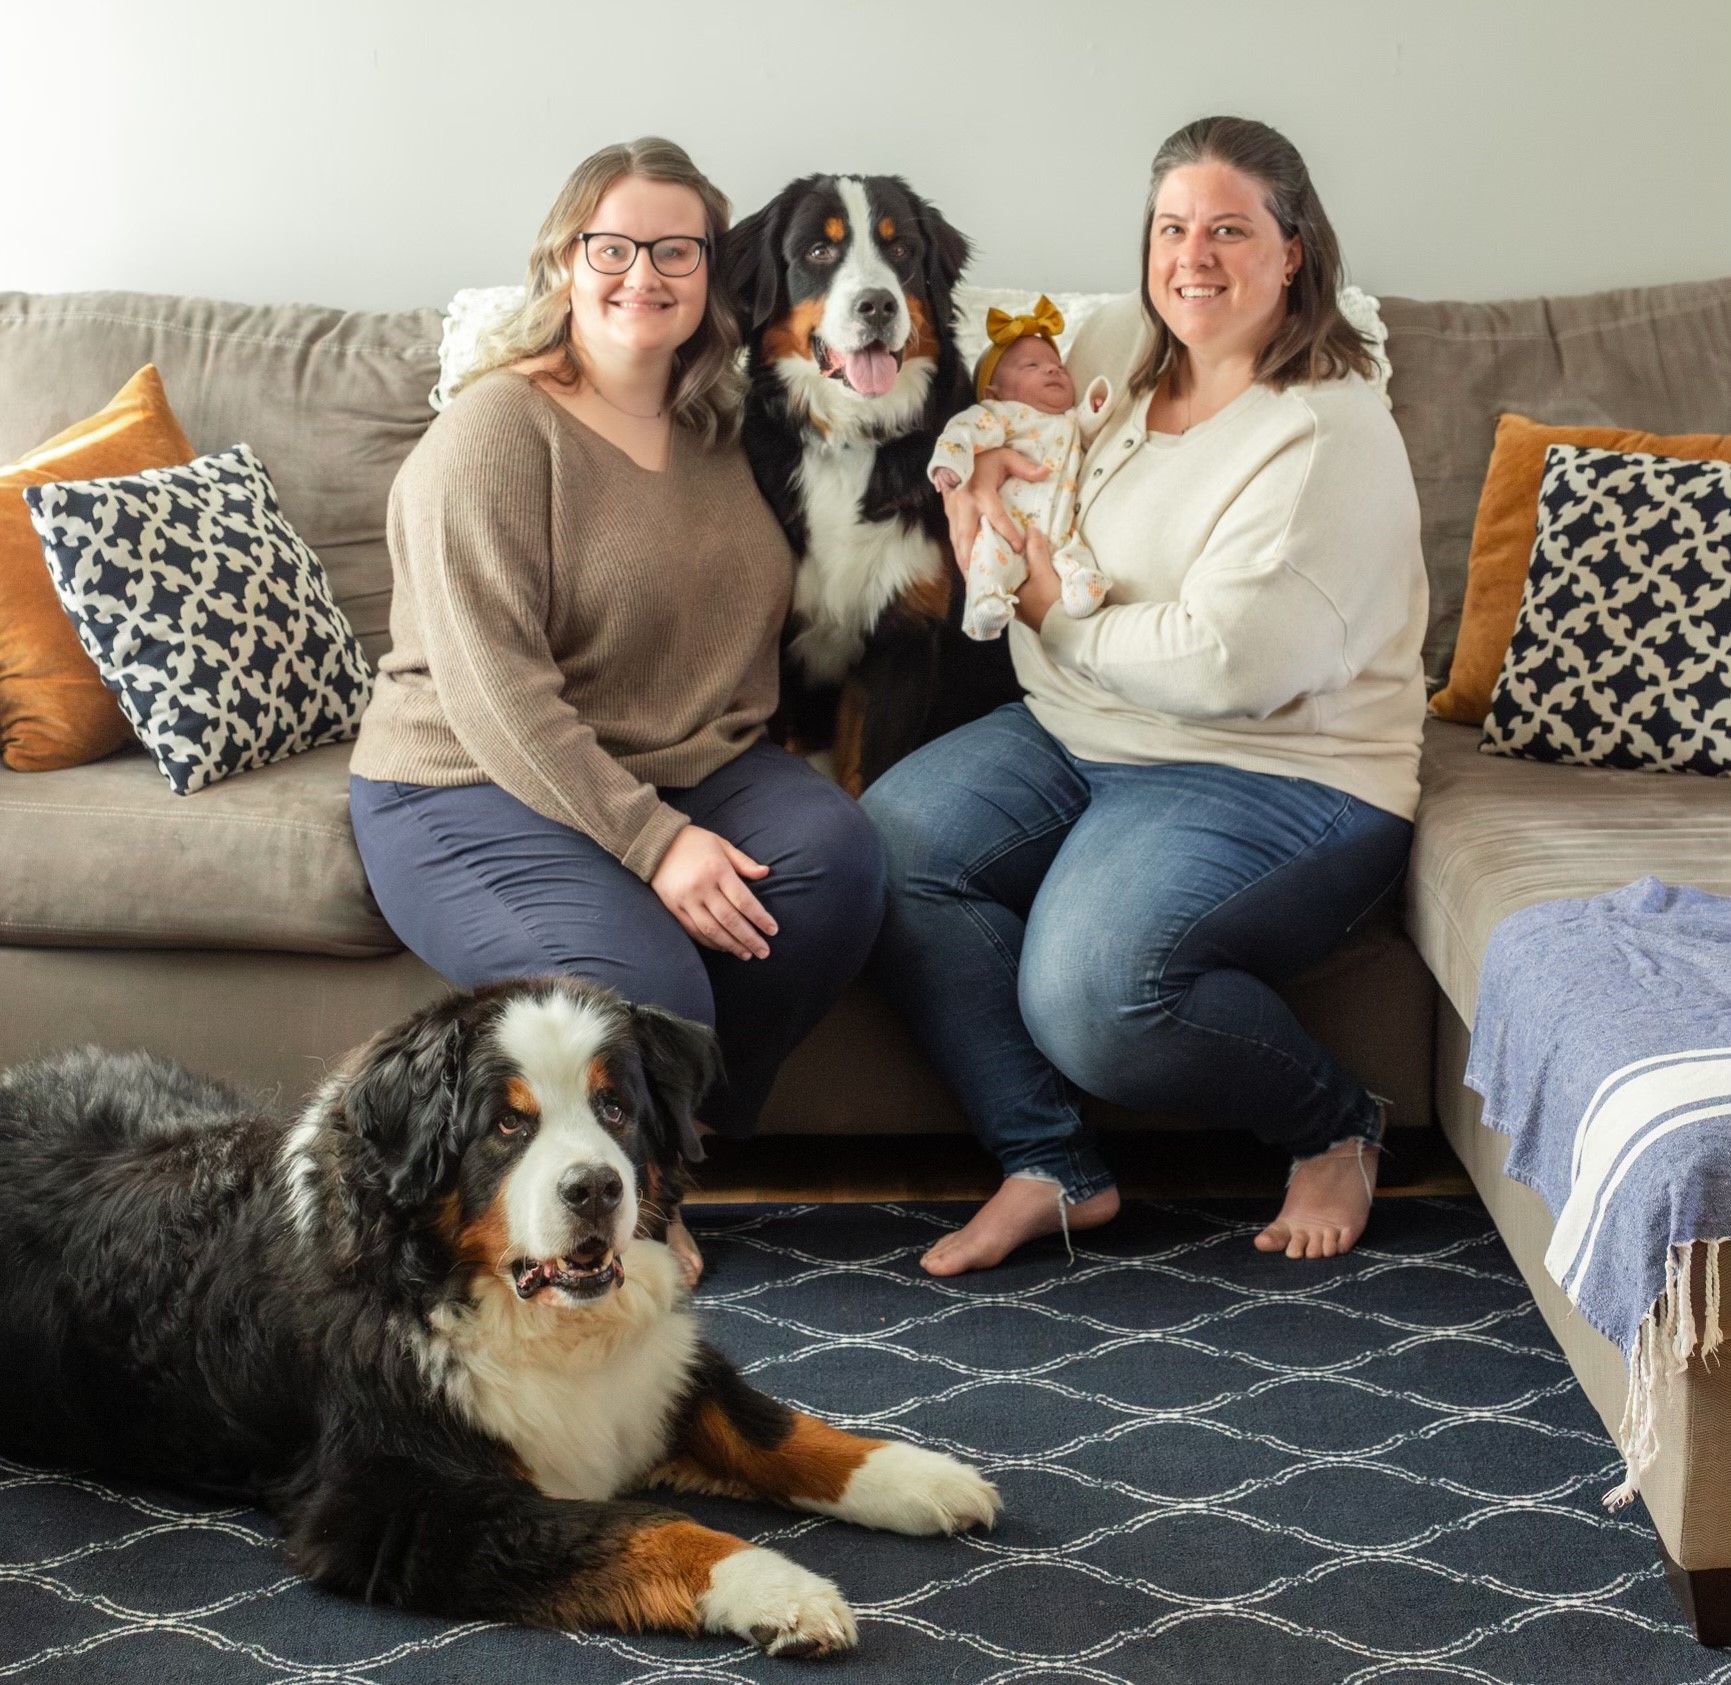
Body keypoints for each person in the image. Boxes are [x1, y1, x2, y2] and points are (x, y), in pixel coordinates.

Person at [860, 115, 1428, 1277]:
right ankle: (1052, 1161)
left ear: (1296, 252)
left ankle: (1333, 1121)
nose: (1194, 258)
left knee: (1094, 995)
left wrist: (1043, 611)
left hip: (1281, 772)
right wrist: (974, 494)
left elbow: (1231, 663)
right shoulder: (1119, 343)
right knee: (888, 842)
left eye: (1230, 229)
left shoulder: (1325, 433)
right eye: (1173, 228)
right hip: (1084, 728)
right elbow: (1003, 423)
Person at [348, 138, 886, 1283]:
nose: (643, 273)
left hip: (677, 757)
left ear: (712, 273)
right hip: (468, 779)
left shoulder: (725, 427)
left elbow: (875, 475)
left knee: (838, 859)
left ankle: (671, 1152)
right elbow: (496, 690)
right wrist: (657, 842)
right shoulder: (496, 433)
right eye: (613, 246)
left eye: (676, 250)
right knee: (645, 988)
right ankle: (634, 1209)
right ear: (564, 260)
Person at [930, 296, 1114, 640]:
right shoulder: (1001, 416)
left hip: (1058, 524)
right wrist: (949, 464)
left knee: (1074, 554)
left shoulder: (1069, 421)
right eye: (1031, 366)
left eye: (1057, 366)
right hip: (1009, 521)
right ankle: (985, 603)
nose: (1052, 369)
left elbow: (1095, 431)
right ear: (993, 393)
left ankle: (1083, 587)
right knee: (990, 555)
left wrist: (1097, 404)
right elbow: (963, 432)